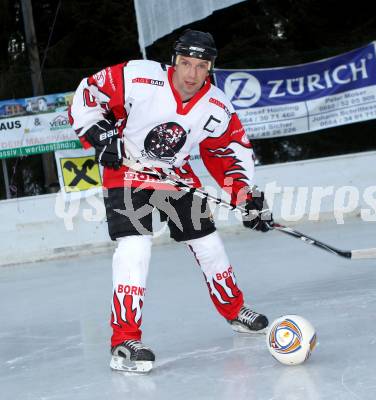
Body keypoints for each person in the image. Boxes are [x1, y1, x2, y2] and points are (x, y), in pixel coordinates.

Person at [69, 29, 274, 373]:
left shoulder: (217, 106)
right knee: (135, 249)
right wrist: (99, 132)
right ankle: (124, 342)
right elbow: (89, 93)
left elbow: (227, 152)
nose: (191, 74)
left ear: (211, 68)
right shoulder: (139, 77)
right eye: (185, 63)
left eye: (201, 66)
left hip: (174, 176)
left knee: (209, 245)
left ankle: (235, 311)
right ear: (174, 61)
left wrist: (245, 195)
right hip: (128, 173)